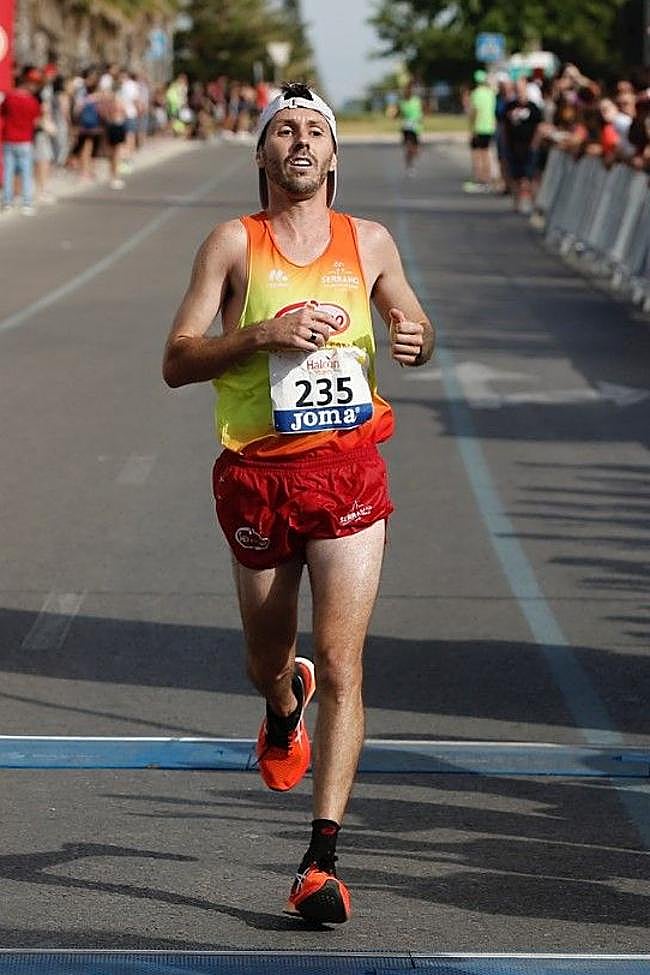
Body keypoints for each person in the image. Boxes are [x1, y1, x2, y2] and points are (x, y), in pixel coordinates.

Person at [163, 82, 434, 924]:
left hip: (350, 470)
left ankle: (320, 861)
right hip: (259, 477)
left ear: (335, 155)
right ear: (264, 154)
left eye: (316, 128)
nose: (302, 141)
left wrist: (416, 336)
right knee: (265, 659)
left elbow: (412, 319)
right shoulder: (232, 244)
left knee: (347, 664)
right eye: (285, 130)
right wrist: (261, 334)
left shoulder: (372, 241)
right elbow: (177, 359)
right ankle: (284, 706)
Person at [1, 67, 42, 215]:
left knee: (9, 172)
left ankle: (7, 202)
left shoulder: (10, 98)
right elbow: (37, 120)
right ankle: (27, 202)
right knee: (26, 172)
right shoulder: (32, 102)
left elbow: (3, 112)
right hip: (24, 141)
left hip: (9, 139)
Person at [464, 69, 496, 192]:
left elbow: (474, 111)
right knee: (486, 153)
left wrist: (472, 128)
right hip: (489, 127)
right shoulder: (490, 93)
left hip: (479, 127)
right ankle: (487, 180)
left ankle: (479, 180)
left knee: (477, 154)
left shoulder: (476, 93)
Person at [398, 81, 423, 174]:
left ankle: (412, 158)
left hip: (415, 127)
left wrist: (420, 122)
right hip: (406, 127)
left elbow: (420, 113)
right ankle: (409, 165)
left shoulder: (416, 101)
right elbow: (400, 114)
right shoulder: (402, 102)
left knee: (415, 150)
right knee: (409, 147)